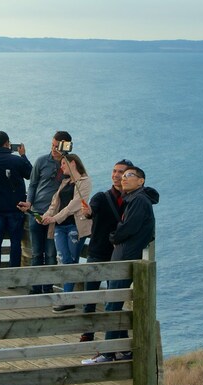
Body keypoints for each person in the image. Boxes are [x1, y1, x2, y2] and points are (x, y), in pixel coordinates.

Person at [83, 165, 160, 364]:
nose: (124, 179)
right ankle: (123, 350)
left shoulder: (139, 200)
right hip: (123, 255)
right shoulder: (134, 199)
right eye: (122, 176)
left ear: (141, 181)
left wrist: (114, 236)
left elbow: (129, 228)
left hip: (125, 257)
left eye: (129, 176)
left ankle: (108, 354)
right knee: (114, 303)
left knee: (112, 305)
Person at [77, 159, 134, 340]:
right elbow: (90, 211)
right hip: (97, 252)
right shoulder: (101, 197)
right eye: (115, 171)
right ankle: (88, 332)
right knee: (90, 296)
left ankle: (116, 336)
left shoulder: (132, 200)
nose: (116, 175)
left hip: (118, 254)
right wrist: (86, 213)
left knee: (114, 297)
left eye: (121, 172)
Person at [40, 153, 92, 311]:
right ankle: (68, 298)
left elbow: (75, 205)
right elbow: (55, 203)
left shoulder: (85, 181)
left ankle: (67, 298)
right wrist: (45, 217)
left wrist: (55, 218)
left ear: (73, 163)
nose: (61, 167)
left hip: (75, 226)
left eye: (63, 163)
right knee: (63, 259)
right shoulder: (64, 182)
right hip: (60, 226)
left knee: (71, 260)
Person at [21, 131, 72, 293]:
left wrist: (67, 160)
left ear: (67, 146)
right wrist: (29, 202)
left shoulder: (70, 164)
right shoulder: (42, 161)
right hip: (36, 212)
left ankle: (48, 287)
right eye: (53, 145)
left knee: (51, 254)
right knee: (36, 254)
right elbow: (33, 184)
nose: (54, 149)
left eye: (58, 146)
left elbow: (77, 182)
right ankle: (36, 287)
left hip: (55, 216)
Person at [0, 131, 33, 269]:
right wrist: (23, 155)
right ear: (7, 143)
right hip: (16, 209)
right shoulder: (18, 161)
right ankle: (13, 278)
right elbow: (30, 174)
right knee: (15, 242)